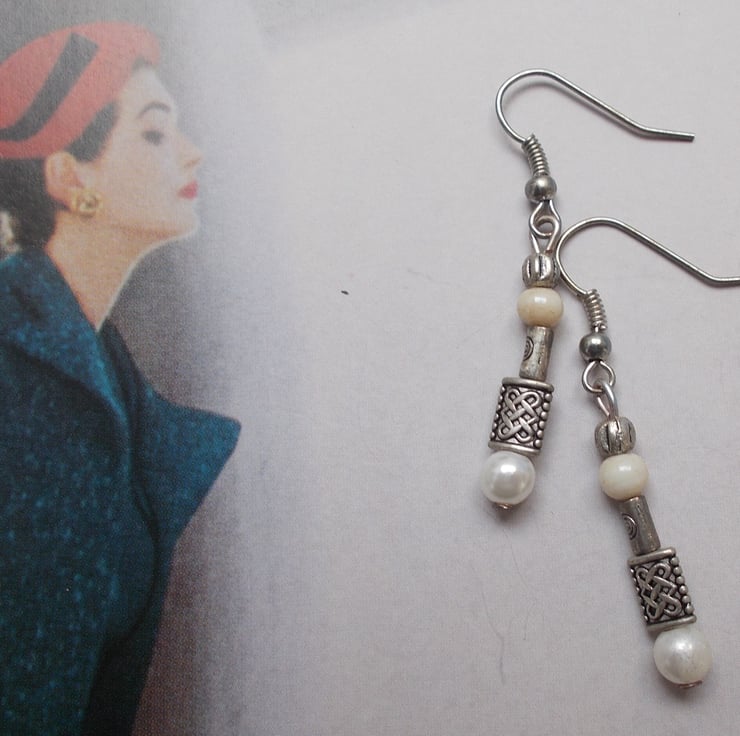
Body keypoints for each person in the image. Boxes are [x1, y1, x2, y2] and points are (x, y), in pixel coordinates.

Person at [0, 22, 240, 734]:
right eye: (155, 132)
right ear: (70, 179)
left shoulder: (105, 377)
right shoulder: (19, 371)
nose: (193, 150)